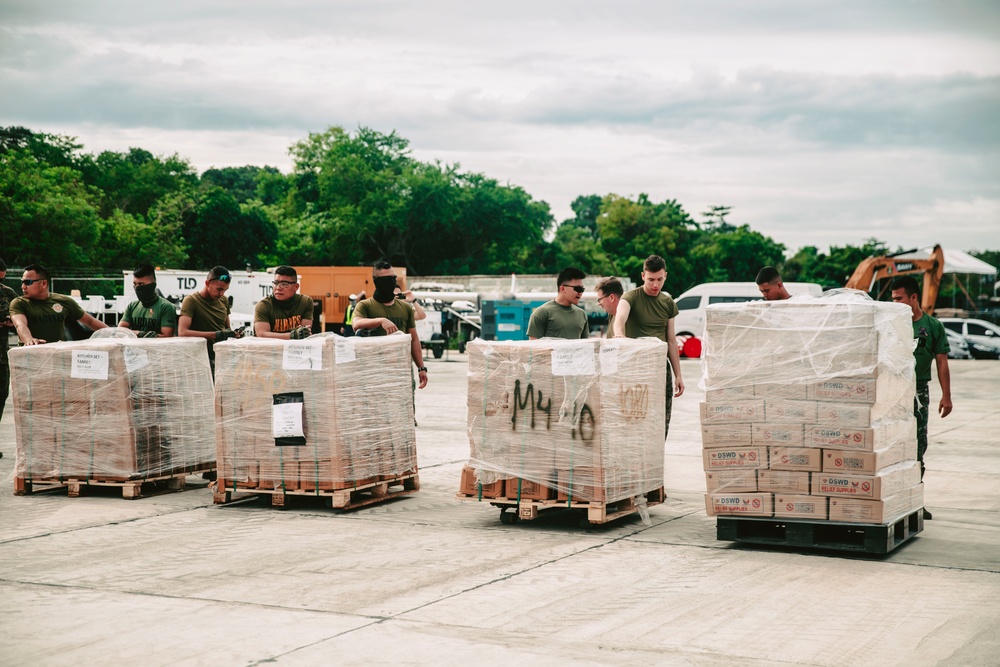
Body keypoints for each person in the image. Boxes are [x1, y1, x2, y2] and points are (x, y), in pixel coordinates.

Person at [891, 275, 952, 518]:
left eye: (899, 299)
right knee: (894, 443)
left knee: (918, 444)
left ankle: (915, 501)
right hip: (894, 390)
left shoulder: (933, 326)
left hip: (919, 390)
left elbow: (942, 363)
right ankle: (895, 499)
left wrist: (946, 396)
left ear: (914, 297)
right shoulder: (892, 324)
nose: (894, 304)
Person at [612, 255, 685, 440]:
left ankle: (657, 452)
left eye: (660, 279)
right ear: (643, 275)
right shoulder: (631, 298)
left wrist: (678, 375)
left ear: (665, 276)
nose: (655, 285)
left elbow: (671, 341)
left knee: (661, 416)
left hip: (660, 367)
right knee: (634, 414)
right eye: (651, 279)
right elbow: (619, 319)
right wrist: (619, 334)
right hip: (635, 367)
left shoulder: (668, 303)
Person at [351, 260, 428, 391]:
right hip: (374, 374)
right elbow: (356, 323)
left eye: (393, 278)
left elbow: (414, 339)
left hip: (401, 372)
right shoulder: (365, 305)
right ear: (376, 281)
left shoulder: (405, 308)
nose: (391, 281)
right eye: (387, 279)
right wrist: (380, 321)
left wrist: (421, 368)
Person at [10, 264, 108, 346]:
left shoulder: (64, 301)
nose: (23, 287)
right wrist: (29, 340)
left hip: (55, 355)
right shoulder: (19, 303)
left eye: (28, 282)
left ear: (44, 283)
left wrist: (115, 334)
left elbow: (90, 321)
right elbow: (20, 325)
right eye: (22, 282)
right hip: (29, 355)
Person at [178, 266, 242, 374]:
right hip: (198, 361)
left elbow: (226, 328)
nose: (222, 294)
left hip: (220, 360)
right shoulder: (191, 301)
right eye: (219, 289)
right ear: (207, 283)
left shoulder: (223, 300)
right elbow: (182, 332)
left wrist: (234, 334)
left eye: (225, 290)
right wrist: (216, 335)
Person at [526, 267, 589, 340]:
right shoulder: (542, 313)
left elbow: (586, 345)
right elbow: (534, 347)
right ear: (563, 289)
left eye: (582, 289)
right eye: (577, 289)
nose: (580, 293)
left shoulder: (582, 314)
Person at [253, 265, 313, 340]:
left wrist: (298, 334)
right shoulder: (264, 305)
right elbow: (262, 334)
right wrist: (292, 335)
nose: (278, 288)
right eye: (276, 283)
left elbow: (304, 333)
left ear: (296, 287)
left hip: (295, 349)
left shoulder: (305, 302)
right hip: (270, 349)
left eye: (284, 284)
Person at [118, 264, 177, 338]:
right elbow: (120, 331)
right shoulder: (132, 306)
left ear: (153, 285)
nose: (137, 288)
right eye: (135, 284)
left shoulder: (166, 307)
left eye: (141, 284)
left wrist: (133, 333)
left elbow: (167, 336)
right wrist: (140, 333)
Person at [0, 258, 17, 427]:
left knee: (1, 395)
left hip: (1, 358)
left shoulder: (7, 293)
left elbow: (21, 321)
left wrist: (11, 323)